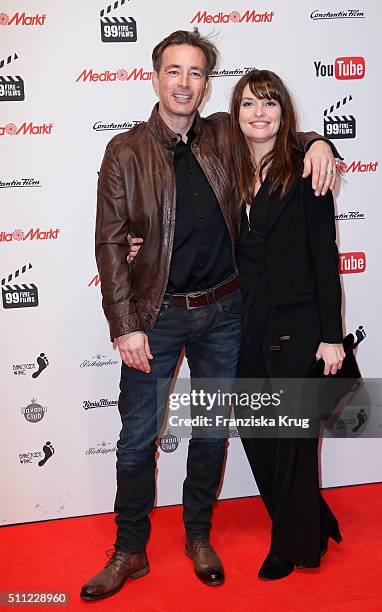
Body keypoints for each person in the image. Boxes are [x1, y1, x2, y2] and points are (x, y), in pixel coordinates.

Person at [81, 30, 339, 601]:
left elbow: (278, 131)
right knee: (136, 438)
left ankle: (198, 535)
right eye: (173, 71)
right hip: (158, 317)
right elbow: (109, 242)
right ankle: (129, 550)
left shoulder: (221, 133)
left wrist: (321, 142)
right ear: (155, 78)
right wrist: (125, 324)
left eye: (195, 73)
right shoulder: (125, 151)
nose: (184, 83)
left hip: (226, 312)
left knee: (211, 432)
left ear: (206, 83)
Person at [232, 69, 345, 579]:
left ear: (284, 113)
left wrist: (331, 336)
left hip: (299, 323)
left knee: (294, 435)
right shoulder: (225, 167)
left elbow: (325, 255)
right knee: (258, 432)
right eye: (249, 104)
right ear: (235, 114)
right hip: (242, 325)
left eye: (269, 103)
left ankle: (294, 545)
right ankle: (309, 517)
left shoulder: (305, 168)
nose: (259, 113)